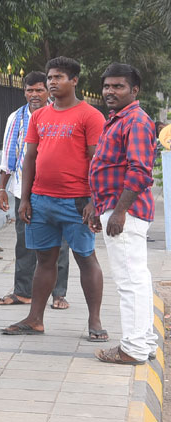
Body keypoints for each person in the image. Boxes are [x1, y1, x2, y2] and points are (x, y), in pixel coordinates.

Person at [2, 56, 107, 342]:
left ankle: (95, 321)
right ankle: (35, 319)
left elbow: (96, 161)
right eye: (50, 77)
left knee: (86, 259)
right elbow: (30, 159)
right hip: (41, 201)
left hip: (76, 202)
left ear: (74, 80)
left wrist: (95, 201)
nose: (52, 82)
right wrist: (25, 199)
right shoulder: (39, 117)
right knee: (44, 260)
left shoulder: (90, 115)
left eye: (58, 77)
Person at [89, 63, 159, 365]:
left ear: (135, 90)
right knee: (137, 280)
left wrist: (119, 212)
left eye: (118, 86)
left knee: (130, 282)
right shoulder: (118, 120)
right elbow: (108, 167)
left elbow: (140, 171)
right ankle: (144, 342)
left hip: (125, 214)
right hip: (115, 209)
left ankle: (132, 348)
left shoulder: (136, 121)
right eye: (107, 86)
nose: (109, 91)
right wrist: (96, 203)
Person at [0, 72, 71, 309]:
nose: (34, 95)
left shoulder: (60, 115)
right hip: (24, 192)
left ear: (48, 91)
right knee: (25, 242)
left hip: (56, 191)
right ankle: (23, 292)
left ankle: (58, 294)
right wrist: (2, 189)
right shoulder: (16, 118)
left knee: (59, 244)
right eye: (30, 90)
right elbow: (9, 155)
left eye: (39, 90)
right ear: (24, 91)